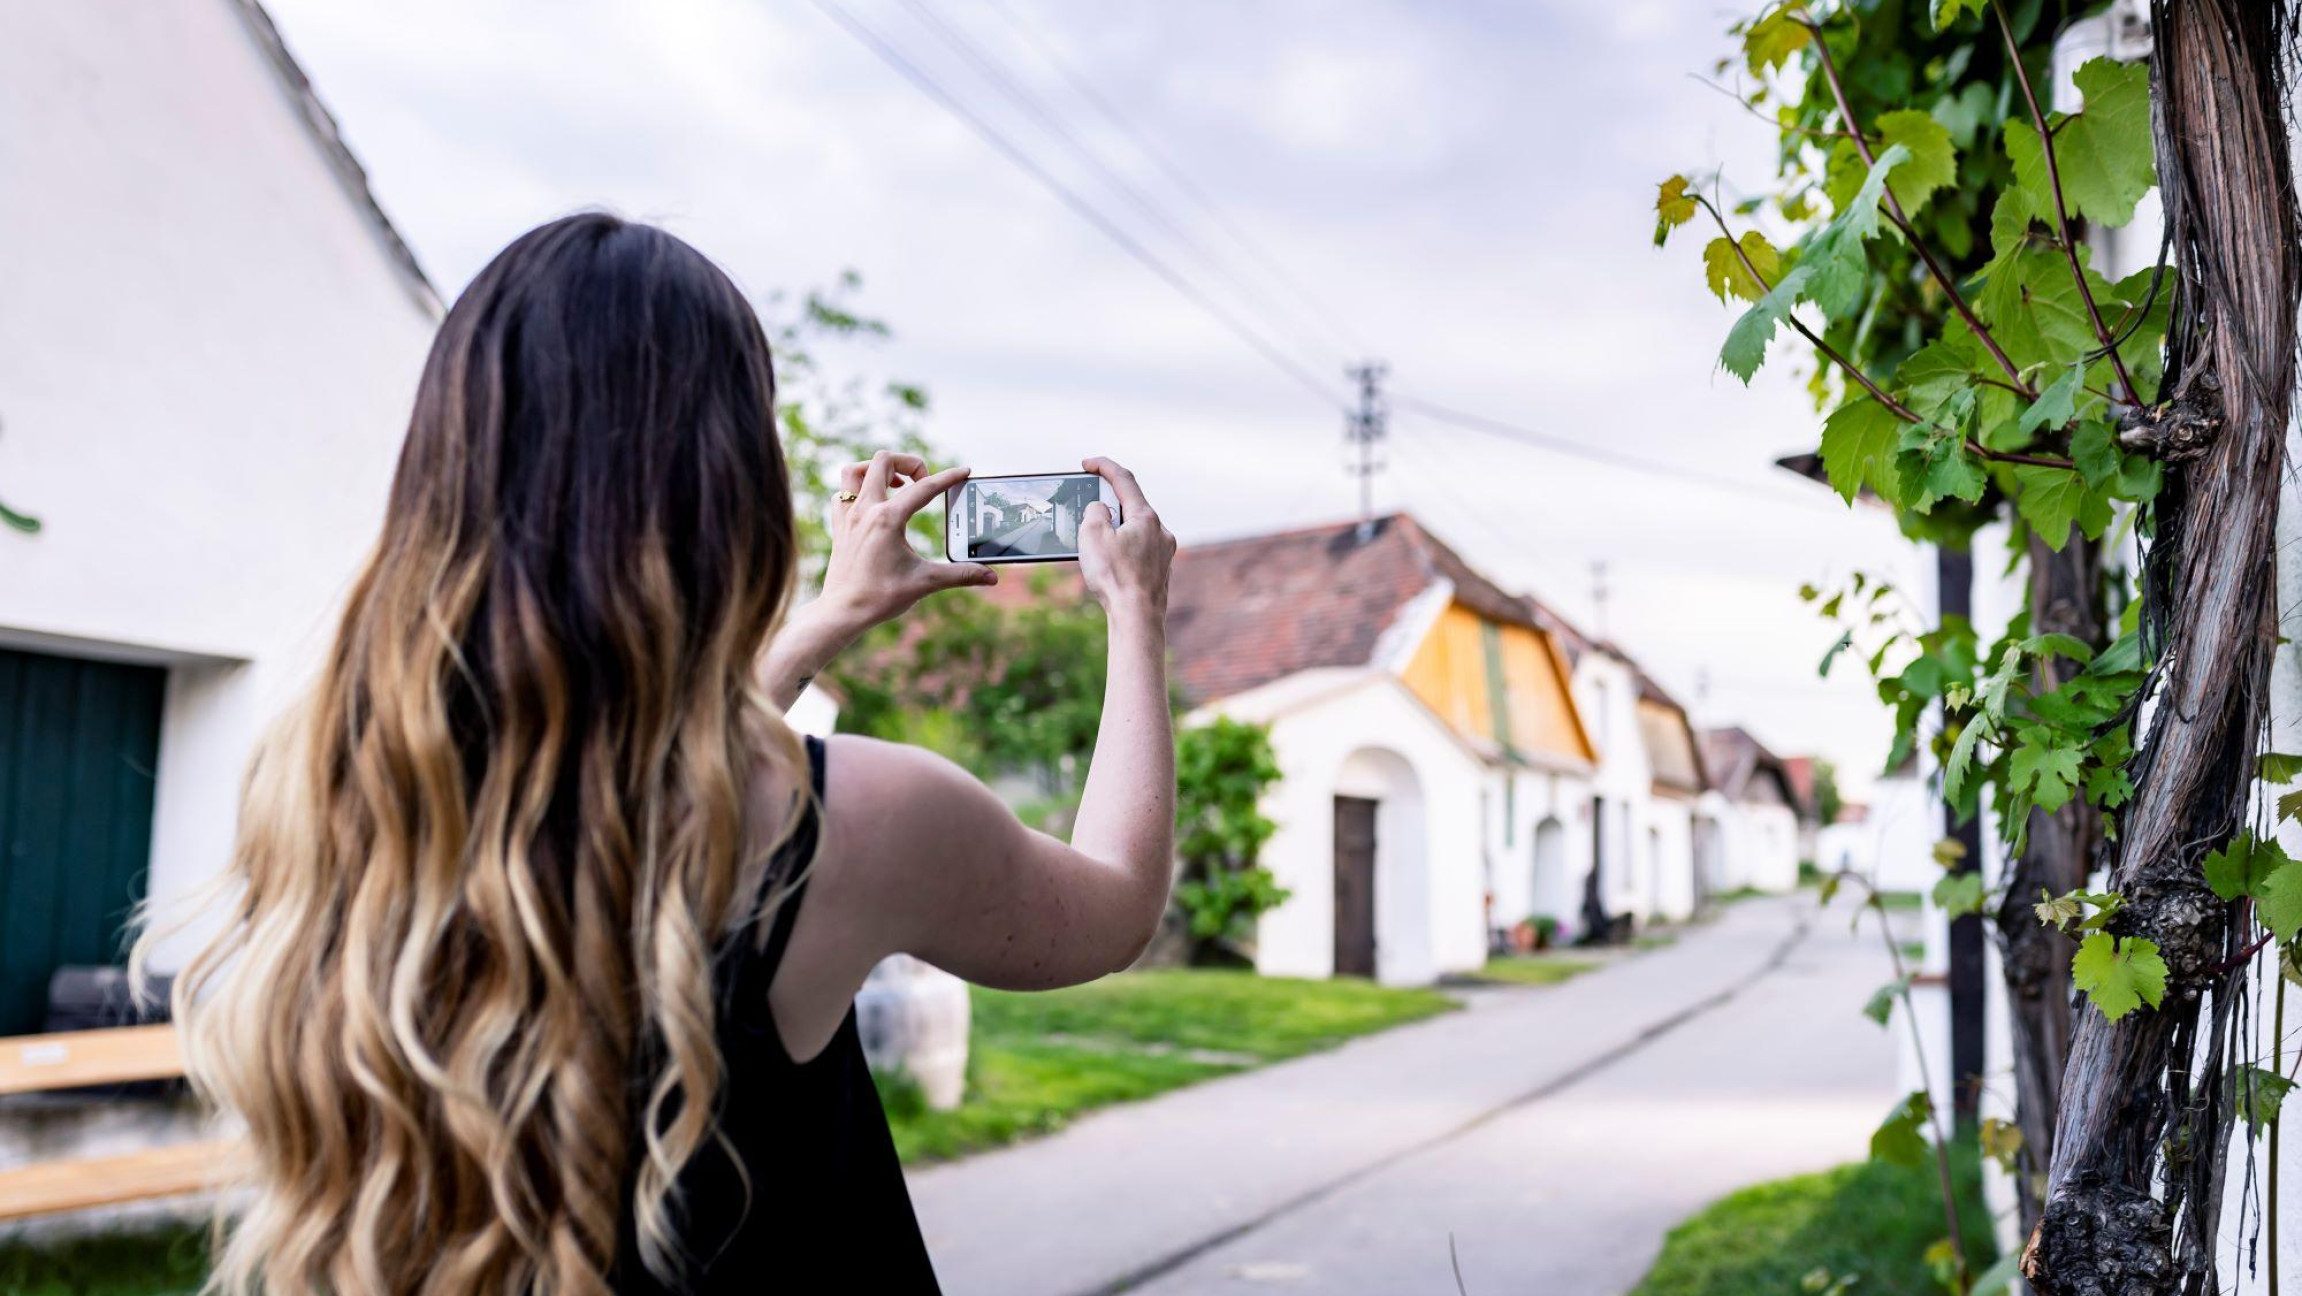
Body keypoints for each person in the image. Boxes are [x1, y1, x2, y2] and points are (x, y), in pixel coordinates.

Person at [143, 213, 1178, 1295]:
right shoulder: (858, 819)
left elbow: (632, 785)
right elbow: (1112, 907)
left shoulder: (341, 783)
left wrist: (827, 621)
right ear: (728, 484)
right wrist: (1133, 610)